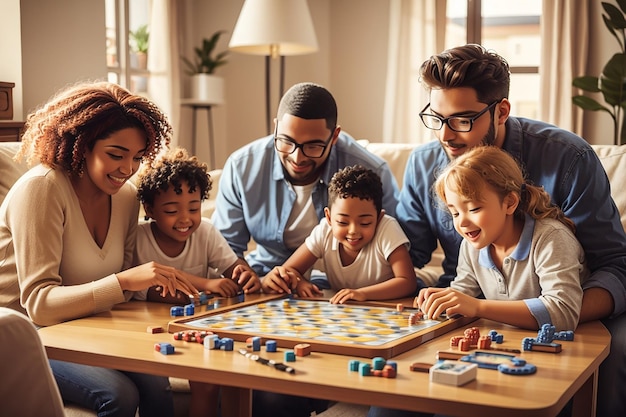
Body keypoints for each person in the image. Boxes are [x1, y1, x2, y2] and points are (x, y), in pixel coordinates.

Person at [377, 44, 626, 417]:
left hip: (570, 304)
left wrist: (547, 316)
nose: (446, 136)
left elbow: (615, 265)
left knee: (614, 354)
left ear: (501, 111)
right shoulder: (423, 163)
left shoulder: (567, 158)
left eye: (462, 120)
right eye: (436, 117)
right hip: (471, 308)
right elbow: (406, 259)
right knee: (390, 400)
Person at [0, 81, 198, 417]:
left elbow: (126, 282)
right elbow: (39, 305)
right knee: (117, 394)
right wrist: (124, 283)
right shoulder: (41, 190)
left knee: (156, 382)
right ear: (81, 145)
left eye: (137, 157)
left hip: (82, 326)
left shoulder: (124, 198)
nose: (127, 169)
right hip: (24, 335)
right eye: (115, 155)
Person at [211, 82, 400, 417]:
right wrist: (254, 277)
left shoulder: (370, 171)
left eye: (314, 146)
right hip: (268, 287)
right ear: (276, 127)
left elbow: (391, 249)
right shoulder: (242, 166)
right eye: (286, 142)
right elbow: (225, 251)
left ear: (335, 136)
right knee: (268, 392)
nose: (298, 157)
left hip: (339, 295)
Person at [135, 146, 261, 417]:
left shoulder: (204, 230)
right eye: (171, 210)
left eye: (193, 208)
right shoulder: (139, 238)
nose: (185, 219)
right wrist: (207, 285)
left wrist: (244, 274)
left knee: (207, 384)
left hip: (199, 326)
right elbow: (154, 290)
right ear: (150, 209)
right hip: (149, 327)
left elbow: (232, 266)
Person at [417, 146, 587, 331]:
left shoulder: (551, 238)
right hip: (513, 341)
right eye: (455, 213)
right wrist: (442, 299)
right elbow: (463, 292)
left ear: (510, 203)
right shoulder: (471, 245)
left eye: (474, 209)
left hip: (572, 342)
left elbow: (563, 313)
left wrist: (478, 306)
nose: (462, 222)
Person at [263, 164, 416, 303]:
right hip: (347, 305)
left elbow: (407, 282)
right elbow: (290, 269)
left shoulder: (387, 228)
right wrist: (301, 282)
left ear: (379, 217)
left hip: (389, 301)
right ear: (329, 217)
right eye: (343, 222)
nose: (353, 231)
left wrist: (362, 294)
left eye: (365, 223)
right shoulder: (324, 231)